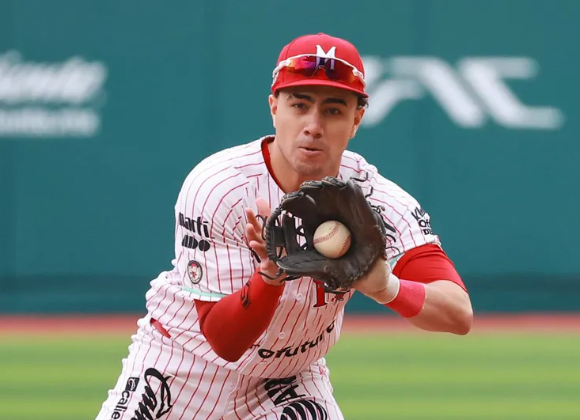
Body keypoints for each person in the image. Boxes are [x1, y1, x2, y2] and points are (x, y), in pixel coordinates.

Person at [96, 32, 473, 420]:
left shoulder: (373, 200)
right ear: (274, 107)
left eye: (333, 110)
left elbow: (458, 314)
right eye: (299, 105)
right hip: (181, 364)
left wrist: (387, 288)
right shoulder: (221, 187)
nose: (313, 125)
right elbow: (225, 342)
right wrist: (271, 276)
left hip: (288, 381)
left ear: (356, 120)